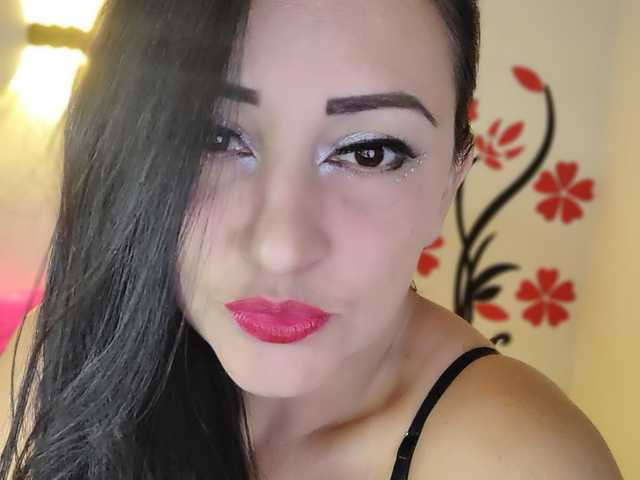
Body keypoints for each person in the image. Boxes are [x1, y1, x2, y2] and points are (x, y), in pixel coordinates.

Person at [0, 0, 623, 478]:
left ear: (450, 184)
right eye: (214, 138)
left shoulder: (520, 462)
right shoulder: (59, 371)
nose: (282, 247)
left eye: (370, 152)